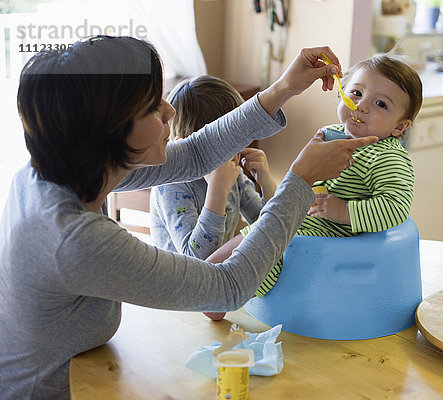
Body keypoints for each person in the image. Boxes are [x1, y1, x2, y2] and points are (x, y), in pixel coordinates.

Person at [0, 35, 377, 399]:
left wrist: (284, 87)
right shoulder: (75, 239)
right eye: (152, 107)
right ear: (108, 131)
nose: (170, 110)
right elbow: (229, 286)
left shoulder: (59, 168)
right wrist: (300, 180)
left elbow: (196, 153)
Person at [216, 54, 423, 298]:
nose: (362, 105)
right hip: (302, 223)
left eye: (381, 104)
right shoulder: (328, 134)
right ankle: (212, 283)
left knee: (256, 247)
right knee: (251, 238)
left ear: (399, 127)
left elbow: (395, 208)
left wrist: (341, 210)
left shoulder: (388, 158)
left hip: (333, 237)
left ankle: (220, 295)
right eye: (356, 93)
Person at [150, 76, 276, 320]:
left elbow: (268, 225)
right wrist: (218, 189)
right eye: (227, 144)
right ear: (185, 146)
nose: (237, 151)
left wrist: (267, 182)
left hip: (215, 290)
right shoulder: (172, 184)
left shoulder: (232, 172)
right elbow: (194, 260)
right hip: (175, 300)